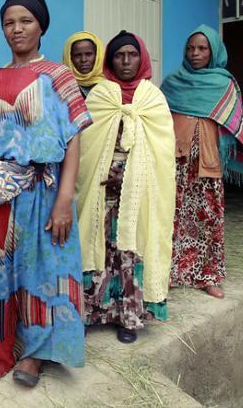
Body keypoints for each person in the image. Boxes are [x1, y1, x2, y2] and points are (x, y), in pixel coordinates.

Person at [0, 0, 91, 386]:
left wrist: (65, 199)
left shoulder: (59, 76)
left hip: (41, 190)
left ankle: (35, 354)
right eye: (8, 23)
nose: (16, 30)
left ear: (41, 26)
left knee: (41, 272)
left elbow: (72, 138)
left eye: (25, 21)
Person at [76, 30, 175, 344]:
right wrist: (106, 172)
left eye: (132, 54)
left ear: (142, 58)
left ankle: (129, 318)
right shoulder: (101, 96)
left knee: (130, 251)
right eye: (119, 55)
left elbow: (162, 152)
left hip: (138, 191)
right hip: (101, 190)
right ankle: (93, 312)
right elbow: (88, 146)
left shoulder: (153, 98)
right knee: (99, 248)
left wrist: (133, 177)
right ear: (110, 60)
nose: (126, 61)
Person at [161, 24, 243, 299]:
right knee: (171, 217)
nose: (195, 53)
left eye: (202, 48)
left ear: (213, 52)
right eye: (190, 48)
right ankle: (169, 272)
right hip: (175, 163)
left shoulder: (225, 85)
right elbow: (158, 121)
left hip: (208, 164)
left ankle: (208, 276)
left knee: (208, 219)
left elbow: (234, 125)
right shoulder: (172, 83)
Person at [61, 31, 106, 98]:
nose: (83, 60)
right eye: (77, 55)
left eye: (88, 54)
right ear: (69, 58)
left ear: (98, 55)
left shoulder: (111, 87)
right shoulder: (61, 87)